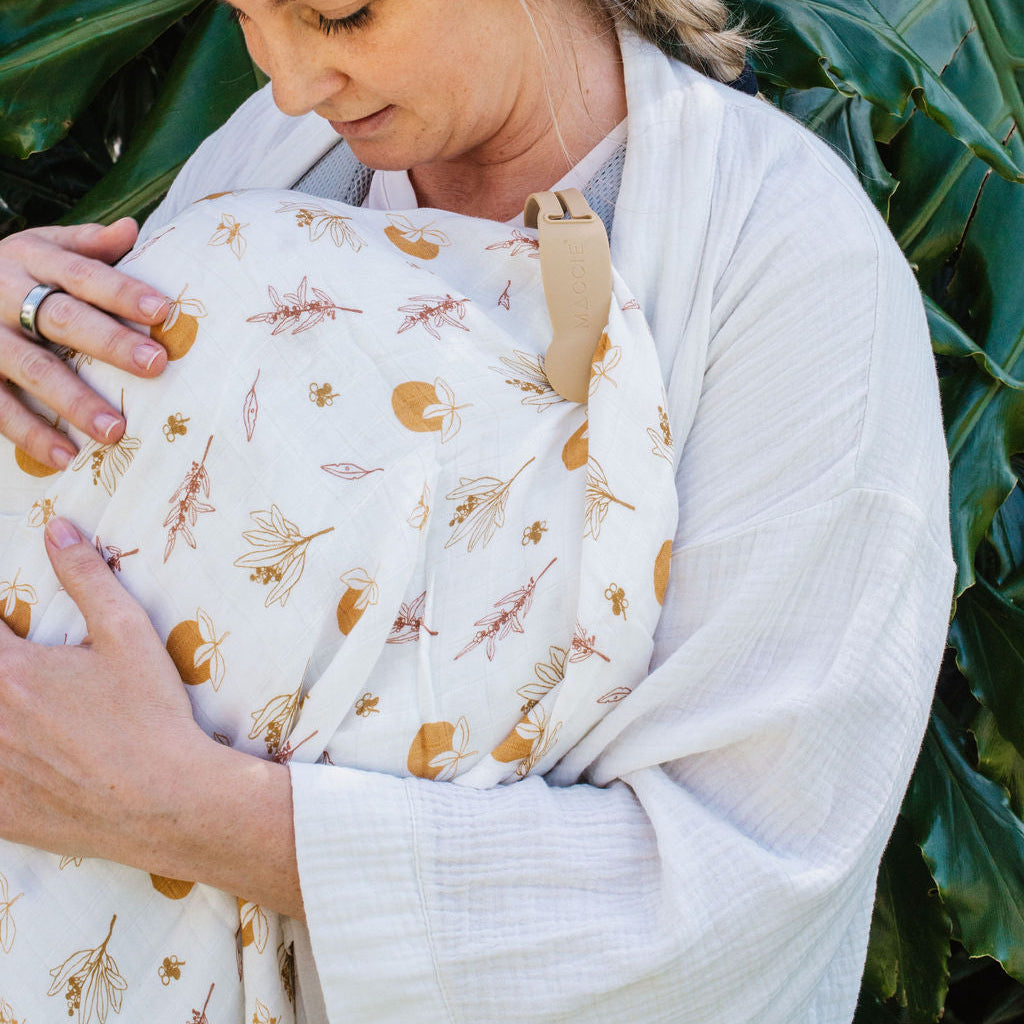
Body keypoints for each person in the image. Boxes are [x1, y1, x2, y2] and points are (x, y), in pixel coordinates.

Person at [0, 2, 954, 1023]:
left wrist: (181, 812)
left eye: (341, 15)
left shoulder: (796, 275)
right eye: (247, 13)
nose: (288, 83)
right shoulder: (277, 153)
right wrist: (31, 363)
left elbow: (737, 887)